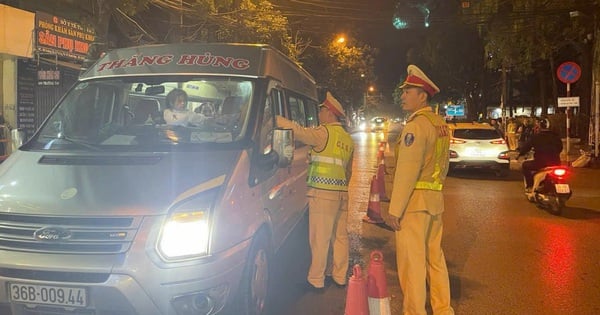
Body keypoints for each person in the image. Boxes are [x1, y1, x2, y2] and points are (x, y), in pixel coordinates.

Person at [384, 65, 454, 315]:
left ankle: (415, 311)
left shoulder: (415, 127)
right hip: (434, 200)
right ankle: (443, 309)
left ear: (422, 95)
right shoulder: (440, 124)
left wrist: (395, 209)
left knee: (411, 263)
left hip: (414, 204)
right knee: (434, 258)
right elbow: (443, 165)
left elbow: (407, 171)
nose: (402, 96)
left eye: (408, 91)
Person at [276, 92, 354, 292]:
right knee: (340, 237)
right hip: (342, 193)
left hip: (322, 193)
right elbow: (348, 171)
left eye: (321, 110)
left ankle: (316, 279)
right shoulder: (347, 139)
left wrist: (276, 118)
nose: (319, 113)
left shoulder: (323, 133)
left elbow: (299, 132)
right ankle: (339, 276)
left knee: (320, 238)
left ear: (329, 113)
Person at [518, 118, 562, 191]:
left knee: (525, 166)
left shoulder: (535, 137)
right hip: (556, 163)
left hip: (541, 163)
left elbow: (526, 147)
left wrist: (520, 153)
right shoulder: (556, 136)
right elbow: (560, 148)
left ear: (539, 127)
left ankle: (530, 186)